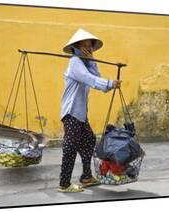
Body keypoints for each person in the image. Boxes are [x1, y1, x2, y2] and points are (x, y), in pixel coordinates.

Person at [57, 28, 122, 193]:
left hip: (80, 113)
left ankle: (86, 177)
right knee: (70, 146)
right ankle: (64, 184)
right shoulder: (75, 62)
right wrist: (109, 84)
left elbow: (96, 75)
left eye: (90, 46)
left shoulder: (85, 62)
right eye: (85, 46)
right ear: (77, 47)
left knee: (89, 140)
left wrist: (92, 60)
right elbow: (90, 79)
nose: (88, 49)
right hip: (71, 111)